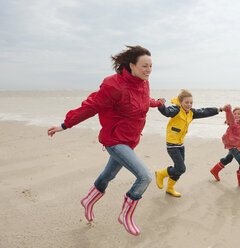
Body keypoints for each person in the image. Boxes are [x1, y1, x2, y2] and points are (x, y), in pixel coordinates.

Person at [47, 45, 165, 236]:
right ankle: (126, 215)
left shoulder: (143, 83)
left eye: (151, 66)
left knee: (108, 176)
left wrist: (158, 103)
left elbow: (143, 100)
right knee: (145, 177)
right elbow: (92, 106)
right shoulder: (113, 85)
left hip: (130, 140)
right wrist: (65, 125)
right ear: (131, 65)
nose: (148, 70)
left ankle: (88, 200)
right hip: (114, 140)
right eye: (145, 66)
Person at [155, 89, 228, 197]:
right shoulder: (176, 109)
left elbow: (204, 112)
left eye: (191, 103)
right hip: (172, 145)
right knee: (181, 168)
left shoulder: (191, 113)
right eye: (186, 102)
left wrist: (220, 109)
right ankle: (161, 173)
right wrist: (161, 104)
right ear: (180, 102)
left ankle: (170, 188)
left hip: (180, 144)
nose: (189, 105)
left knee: (179, 168)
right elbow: (166, 112)